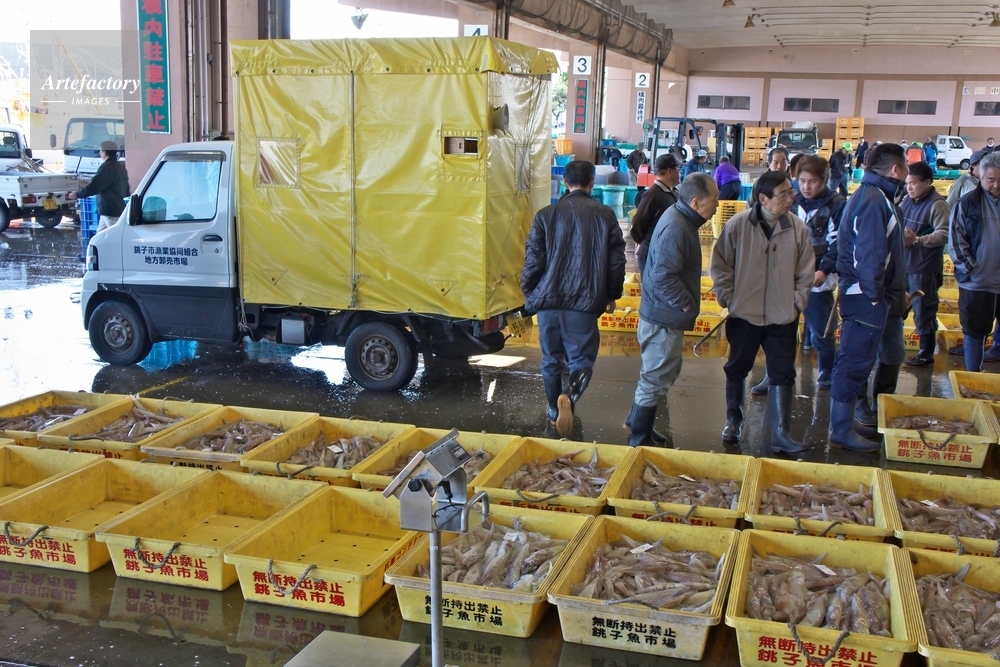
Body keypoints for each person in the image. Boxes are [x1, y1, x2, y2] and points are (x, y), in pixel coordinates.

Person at [711, 170, 814, 453]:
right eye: (783, 194)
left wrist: (797, 302)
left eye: (791, 192)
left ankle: (781, 433)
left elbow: (806, 272)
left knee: (782, 372)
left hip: (782, 316)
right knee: (737, 367)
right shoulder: (738, 225)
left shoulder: (797, 229)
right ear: (763, 199)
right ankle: (733, 420)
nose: (790, 198)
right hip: (744, 314)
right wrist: (728, 298)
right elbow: (720, 265)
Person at [522, 160, 626, 436]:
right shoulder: (605, 215)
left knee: (550, 359)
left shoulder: (545, 215)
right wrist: (612, 294)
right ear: (592, 182)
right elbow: (616, 261)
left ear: (566, 182)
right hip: (584, 301)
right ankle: (569, 396)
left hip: (548, 301)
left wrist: (530, 292)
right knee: (581, 361)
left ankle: (553, 410)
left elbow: (532, 259)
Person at [625, 174, 720, 446]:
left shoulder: (680, 217)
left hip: (662, 314)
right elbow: (662, 276)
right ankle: (639, 438)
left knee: (661, 372)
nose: (717, 204)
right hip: (663, 317)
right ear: (696, 202)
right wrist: (685, 303)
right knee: (655, 377)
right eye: (714, 199)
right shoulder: (678, 226)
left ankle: (638, 423)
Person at [827, 143, 908, 452]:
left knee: (859, 360)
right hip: (865, 297)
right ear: (896, 169)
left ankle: (848, 424)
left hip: (870, 295)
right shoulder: (874, 201)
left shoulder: (876, 196)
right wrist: (875, 298)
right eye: (906, 166)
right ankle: (841, 430)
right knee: (853, 362)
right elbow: (870, 255)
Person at [794, 156, 847, 389]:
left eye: (812, 181)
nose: (806, 187)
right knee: (781, 328)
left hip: (819, 275)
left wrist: (824, 270)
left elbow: (838, 242)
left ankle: (826, 369)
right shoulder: (793, 200)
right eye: (802, 181)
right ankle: (776, 373)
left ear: (824, 181)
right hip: (790, 273)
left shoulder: (836, 204)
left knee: (822, 328)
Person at [949, 151, 1000, 373]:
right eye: (991, 180)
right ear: (981, 176)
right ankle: (973, 374)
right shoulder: (967, 203)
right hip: (977, 282)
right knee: (974, 330)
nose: (996, 185)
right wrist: (971, 268)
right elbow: (956, 240)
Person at [899, 162, 949, 367]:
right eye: (907, 183)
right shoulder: (906, 200)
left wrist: (918, 240)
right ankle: (893, 346)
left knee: (923, 310)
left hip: (924, 267)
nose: (909, 187)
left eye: (913, 183)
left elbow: (944, 233)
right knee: (898, 307)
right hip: (904, 264)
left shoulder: (938, 204)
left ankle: (926, 353)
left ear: (927, 182)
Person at [630, 154, 680, 276]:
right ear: (669, 172)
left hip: (661, 253)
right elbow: (637, 225)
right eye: (678, 169)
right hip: (651, 254)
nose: (680, 173)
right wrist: (645, 243)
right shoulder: (653, 194)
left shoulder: (669, 193)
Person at [66, 140, 129, 233]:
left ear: (104, 152)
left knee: (116, 235)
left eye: (100, 150)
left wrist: (78, 194)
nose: (100, 153)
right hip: (115, 208)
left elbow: (95, 185)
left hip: (111, 210)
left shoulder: (107, 167)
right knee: (100, 236)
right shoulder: (120, 167)